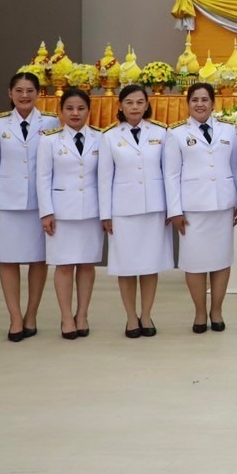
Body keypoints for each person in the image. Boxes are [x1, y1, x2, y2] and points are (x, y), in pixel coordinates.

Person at [0, 72, 57, 342]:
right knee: (9, 260)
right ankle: (15, 317)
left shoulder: (50, 121)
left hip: (39, 204)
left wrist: (51, 206)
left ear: (38, 93)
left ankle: (31, 314)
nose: (24, 95)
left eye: (30, 90)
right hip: (7, 203)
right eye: (19, 90)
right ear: (10, 93)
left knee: (39, 260)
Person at [163, 82, 237, 333]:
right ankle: (199, 312)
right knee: (194, 263)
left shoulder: (228, 130)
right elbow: (171, 175)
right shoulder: (176, 134)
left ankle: (217, 311)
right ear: (188, 104)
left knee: (221, 260)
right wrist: (174, 210)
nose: (200, 104)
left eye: (205, 99)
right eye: (195, 100)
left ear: (213, 103)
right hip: (192, 209)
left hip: (222, 206)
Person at [99, 84, 173, 338]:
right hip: (123, 211)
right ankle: (131, 317)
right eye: (129, 102)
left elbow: (168, 172)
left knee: (151, 264)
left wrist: (171, 208)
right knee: (126, 266)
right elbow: (104, 179)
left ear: (147, 105)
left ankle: (147, 314)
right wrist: (105, 214)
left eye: (140, 102)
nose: (134, 107)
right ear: (120, 106)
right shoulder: (109, 136)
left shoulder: (161, 132)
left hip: (154, 209)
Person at [37, 88, 102, 340]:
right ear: (61, 111)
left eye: (81, 108)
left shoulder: (100, 138)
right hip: (61, 212)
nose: (75, 113)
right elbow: (43, 179)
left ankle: (82, 314)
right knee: (64, 265)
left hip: (91, 211)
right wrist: (46, 212)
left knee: (86, 264)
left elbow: (104, 177)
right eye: (70, 108)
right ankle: (66, 317)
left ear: (88, 111)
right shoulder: (49, 140)